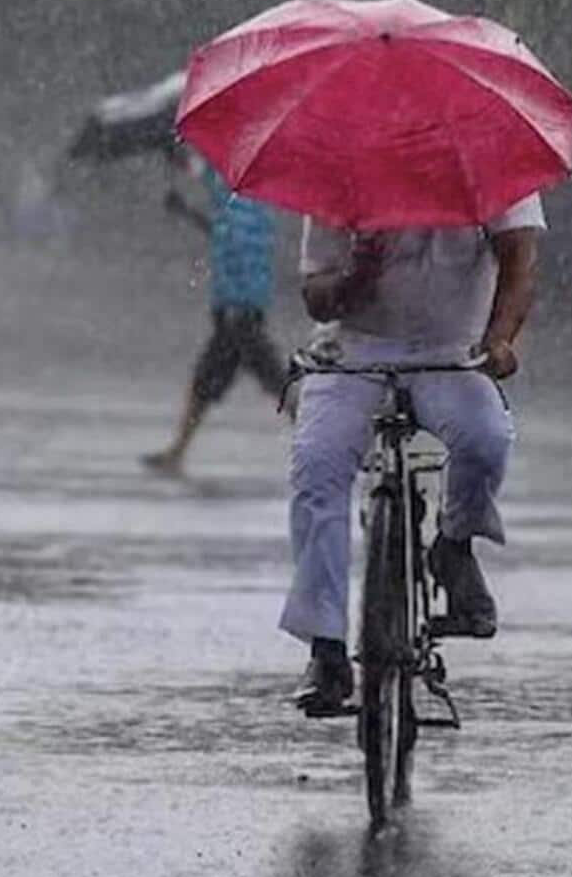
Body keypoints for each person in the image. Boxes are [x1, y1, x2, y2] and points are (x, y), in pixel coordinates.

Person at [285, 195, 545, 713]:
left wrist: (500, 339)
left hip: (451, 352)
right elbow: (315, 296)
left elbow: (520, 259)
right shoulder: (344, 170)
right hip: (354, 351)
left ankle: (454, 544)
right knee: (317, 468)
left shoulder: (489, 161)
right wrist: (357, 277)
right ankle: (326, 646)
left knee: (486, 439)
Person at [140, 147, 289, 475]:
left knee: (271, 383)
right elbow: (224, 232)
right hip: (243, 307)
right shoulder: (251, 196)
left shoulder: (231, 186)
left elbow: (228, 232)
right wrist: (185, 210)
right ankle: (177, 451)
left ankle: (325, 448)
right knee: (240, 382)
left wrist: (181, 187)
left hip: (237, 310)